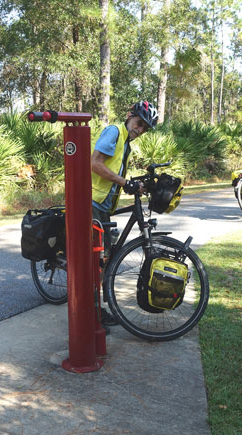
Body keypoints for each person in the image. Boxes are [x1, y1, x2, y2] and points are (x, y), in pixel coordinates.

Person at [91, 101, 159, 327]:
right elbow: (95, 163)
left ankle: (97, 304)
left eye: (144, 128)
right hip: (92, 201)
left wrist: (136, 184)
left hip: (103, 205)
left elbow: (115, 170)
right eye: (139, 123)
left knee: (105, 257)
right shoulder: (114, 132)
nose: (139, 130)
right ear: (130, 115)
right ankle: (92, 311)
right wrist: (124, 182)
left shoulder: (126, 143)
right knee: (96, 259)